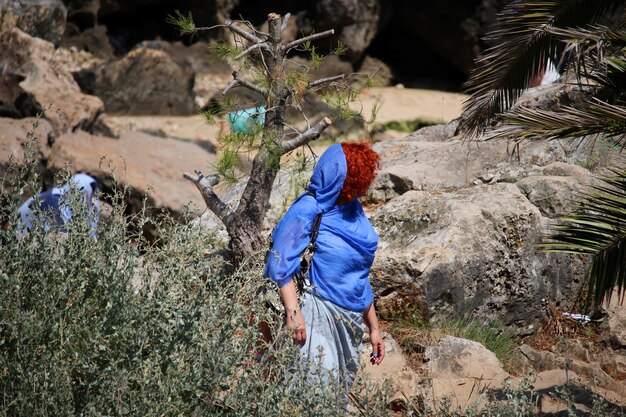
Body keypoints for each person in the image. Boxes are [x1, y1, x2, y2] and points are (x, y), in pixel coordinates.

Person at [265, 142, 385, 398]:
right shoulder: (308, 209)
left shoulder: (354, 212)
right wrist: (294, 312)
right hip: (317, 315)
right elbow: (280, 262)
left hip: (351, 323)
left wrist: (373, 327)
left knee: (333, 399)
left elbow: (359, 276)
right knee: (316, 396)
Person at [17, 173, 100, 238]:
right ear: (81, 194)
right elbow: (59, 238)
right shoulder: (52, 202)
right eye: (91, 196)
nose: (93, 202)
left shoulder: (74, 205)